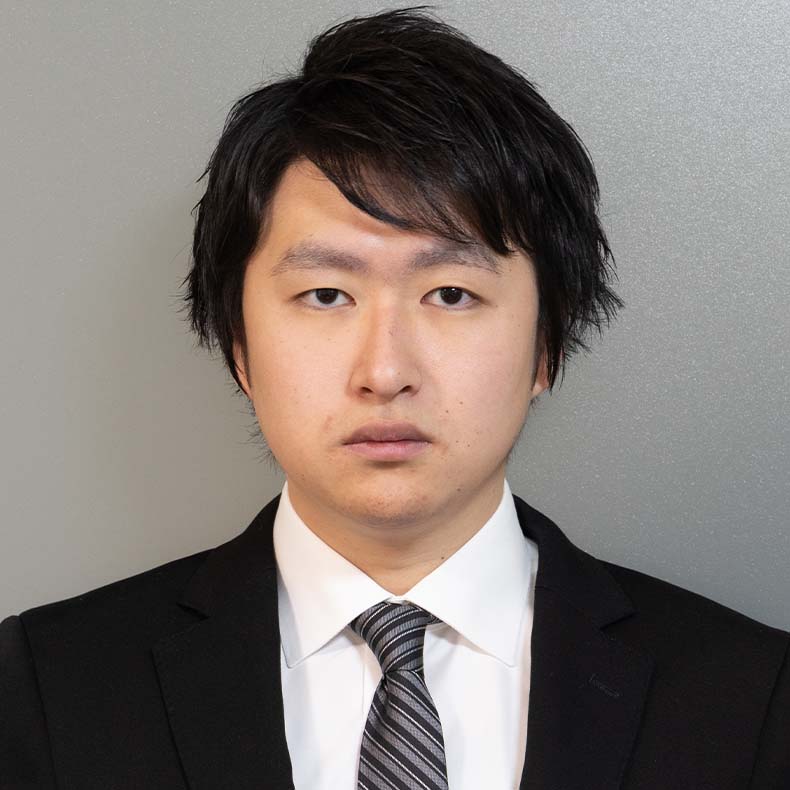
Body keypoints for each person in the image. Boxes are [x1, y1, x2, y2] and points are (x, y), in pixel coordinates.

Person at [1, 6, 788, 789]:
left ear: (546, 344)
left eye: (450, 294)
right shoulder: (42, 692)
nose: (384, 372)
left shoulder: (753, 703)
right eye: (325, 295)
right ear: (239, 346)